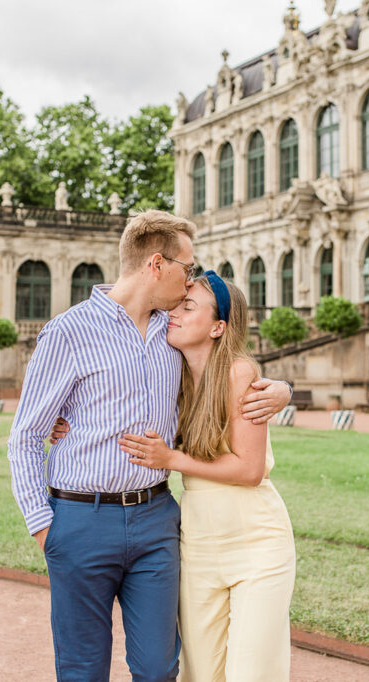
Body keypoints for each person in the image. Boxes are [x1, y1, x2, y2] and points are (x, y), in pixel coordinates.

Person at [6, 210, 291, 682]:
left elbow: (226, 363)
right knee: (82, 668)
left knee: (161, 669)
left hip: (157, 522)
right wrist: (44, 527)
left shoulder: (173, 332)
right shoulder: (68, 332)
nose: (191, 279)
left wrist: (282, 389)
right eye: (187, 267)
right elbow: (26, 436)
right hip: (80, 519)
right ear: (157, 265)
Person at [119, 272, 296, 681]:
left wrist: (172, 459)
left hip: (256, 543)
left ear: (218, 327)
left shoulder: (238, 373)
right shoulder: (170, 377)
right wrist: (62, 420)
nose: (174, 315)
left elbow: (250, 470)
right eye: (176, 306)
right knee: (200, 674)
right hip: (197, 546)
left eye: (188, 307)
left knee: (251, 673)